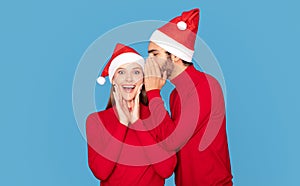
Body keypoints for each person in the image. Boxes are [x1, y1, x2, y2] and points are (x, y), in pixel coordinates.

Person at [143, 8, 233, 185]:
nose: (149, 62)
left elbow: (171, 142)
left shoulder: (206, 86)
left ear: (175, 56)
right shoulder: (175, 94)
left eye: (155, 54)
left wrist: (153, 92)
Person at [86, 43, 176, 186]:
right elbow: (101, 172)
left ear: (143, 79)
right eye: (121, 72)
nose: (129, 79)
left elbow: (166, 170)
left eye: (136, 72)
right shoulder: (96, 120)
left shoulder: (157, 115)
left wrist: (137, 122)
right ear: (113, 79)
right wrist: (122, 124)